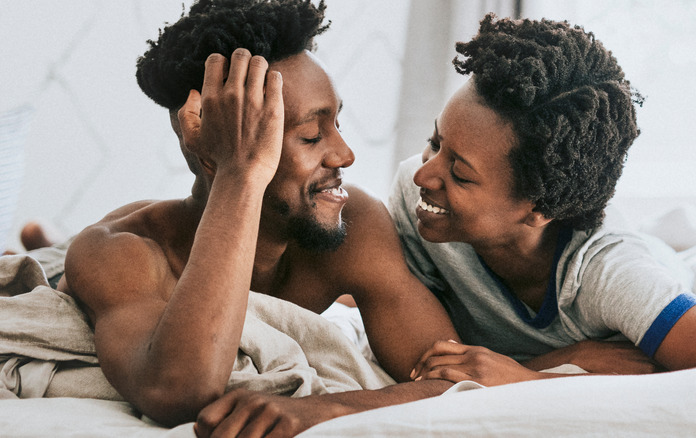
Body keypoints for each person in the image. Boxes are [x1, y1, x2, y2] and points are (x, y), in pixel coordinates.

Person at [57, 0, 462, 429]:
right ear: (208, 147)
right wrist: (238, 174)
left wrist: (326, 408)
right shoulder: (120, 253)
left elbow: (457, 376)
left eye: (337, 124)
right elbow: (179, 391)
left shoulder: (354, 221)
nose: (345, 154)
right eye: (310, 136)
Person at [385, 15, 696, 387]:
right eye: (435, 142)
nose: (424, 174)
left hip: (656, 262)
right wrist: (568, 359)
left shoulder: (613, 277)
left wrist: (532, 383)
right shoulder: (414, 197)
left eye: (460, 174)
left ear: (539, 208)